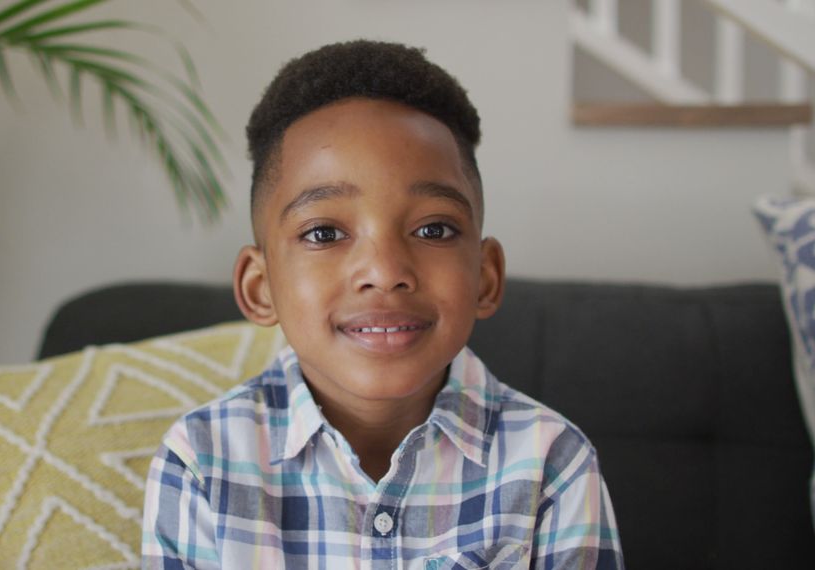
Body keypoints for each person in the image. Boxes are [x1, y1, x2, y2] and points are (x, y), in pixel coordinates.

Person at [142, 39, 623, 569]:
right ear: (260, 288)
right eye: (324, 232)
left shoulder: (552, 463)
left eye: (433, 228)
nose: (385, 271)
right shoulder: (202, 461)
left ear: (485, 277)